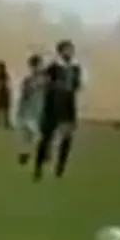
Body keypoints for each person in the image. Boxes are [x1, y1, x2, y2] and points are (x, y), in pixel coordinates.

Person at [33, 40, 83, 181]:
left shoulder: (75, 68)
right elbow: (42, 81)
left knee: (67, 138)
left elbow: (77, 85)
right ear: (60, 51)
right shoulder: (53, 67)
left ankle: (60, 169)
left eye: (71, 50)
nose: (70, 52)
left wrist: (72, 86)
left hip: (68, 107)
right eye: (67, 50)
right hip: (52, 107)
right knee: (46, 139)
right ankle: (38, 168)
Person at [16, 54, 47, 164]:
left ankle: (26, 155)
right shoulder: (28, 80)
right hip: (29, 112)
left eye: (41, 65)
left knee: (33, 136)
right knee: (32, 135)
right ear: (33, 67)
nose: (41, 67)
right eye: (38, 65)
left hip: (40, 111)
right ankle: (28, 155)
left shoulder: (46, 79)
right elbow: (25, 95)